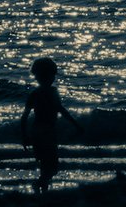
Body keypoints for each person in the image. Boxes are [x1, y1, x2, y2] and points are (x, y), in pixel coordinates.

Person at [19, 57, 84, 192]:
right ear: (48, 75)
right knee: (52, 166)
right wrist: (76, 124)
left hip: (36, 131)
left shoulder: (34, 93)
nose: (53, 78)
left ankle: (43, 189)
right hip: (47, 131)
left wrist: (24, 135)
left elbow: (24, 116)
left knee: (45, 164)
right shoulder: (52, 92)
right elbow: (61, 109)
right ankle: (39, 185)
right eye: (52, 75)